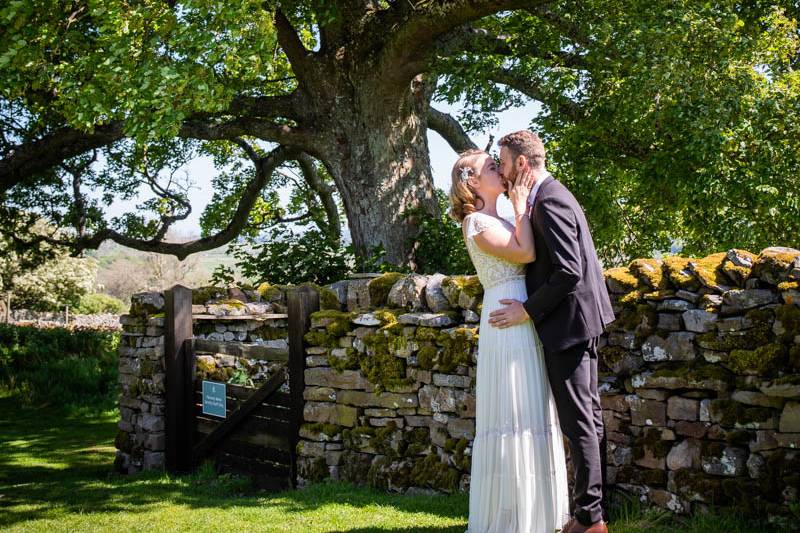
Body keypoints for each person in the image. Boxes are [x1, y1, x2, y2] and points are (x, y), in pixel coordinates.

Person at [487, 131, 615, 533]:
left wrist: (527, 309)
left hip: (569, 323)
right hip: (574, 321)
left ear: (522, 164)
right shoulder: (548, 195)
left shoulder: (551, 199)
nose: (502, 172)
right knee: (587, 420)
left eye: (504, 164)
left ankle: (589, 520)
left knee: (580, 423)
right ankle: (592, 514)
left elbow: (568, 270)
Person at [449, 148, 571, 533]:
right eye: (491, 167)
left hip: (525, 314)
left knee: (533, 408)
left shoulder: (500, 216)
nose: (500, 170)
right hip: (505, 319)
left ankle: (540, 514)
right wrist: (520, 207)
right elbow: (525, 251)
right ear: (472, 181)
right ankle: (510, 517)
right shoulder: (476, 223)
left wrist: (516, 210)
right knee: (512, 412)